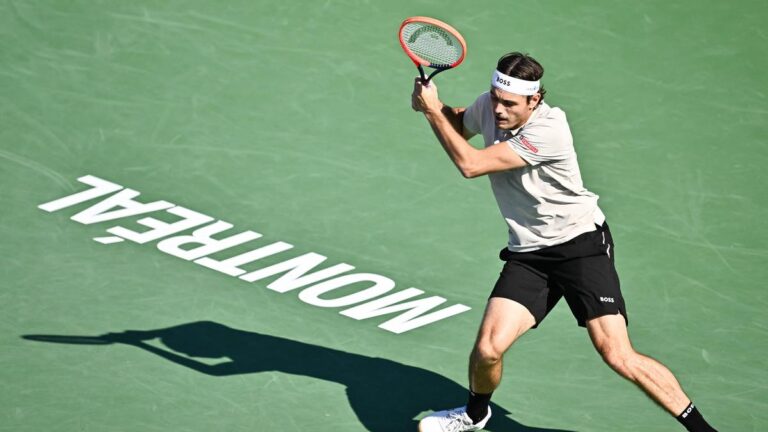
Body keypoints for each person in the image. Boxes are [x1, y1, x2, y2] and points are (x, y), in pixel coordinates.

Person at [411, 52, 718, 432]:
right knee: (488, 349)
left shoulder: (549, 129)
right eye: (494, 98)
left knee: (617, 354)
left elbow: (471, 165)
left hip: (580, 247)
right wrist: (436, 106)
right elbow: (459, 124)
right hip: (529, 254)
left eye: (509, 103)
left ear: (534, 101)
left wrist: (430, 114)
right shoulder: (489, 107)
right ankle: (474, 414)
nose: (499, 109)